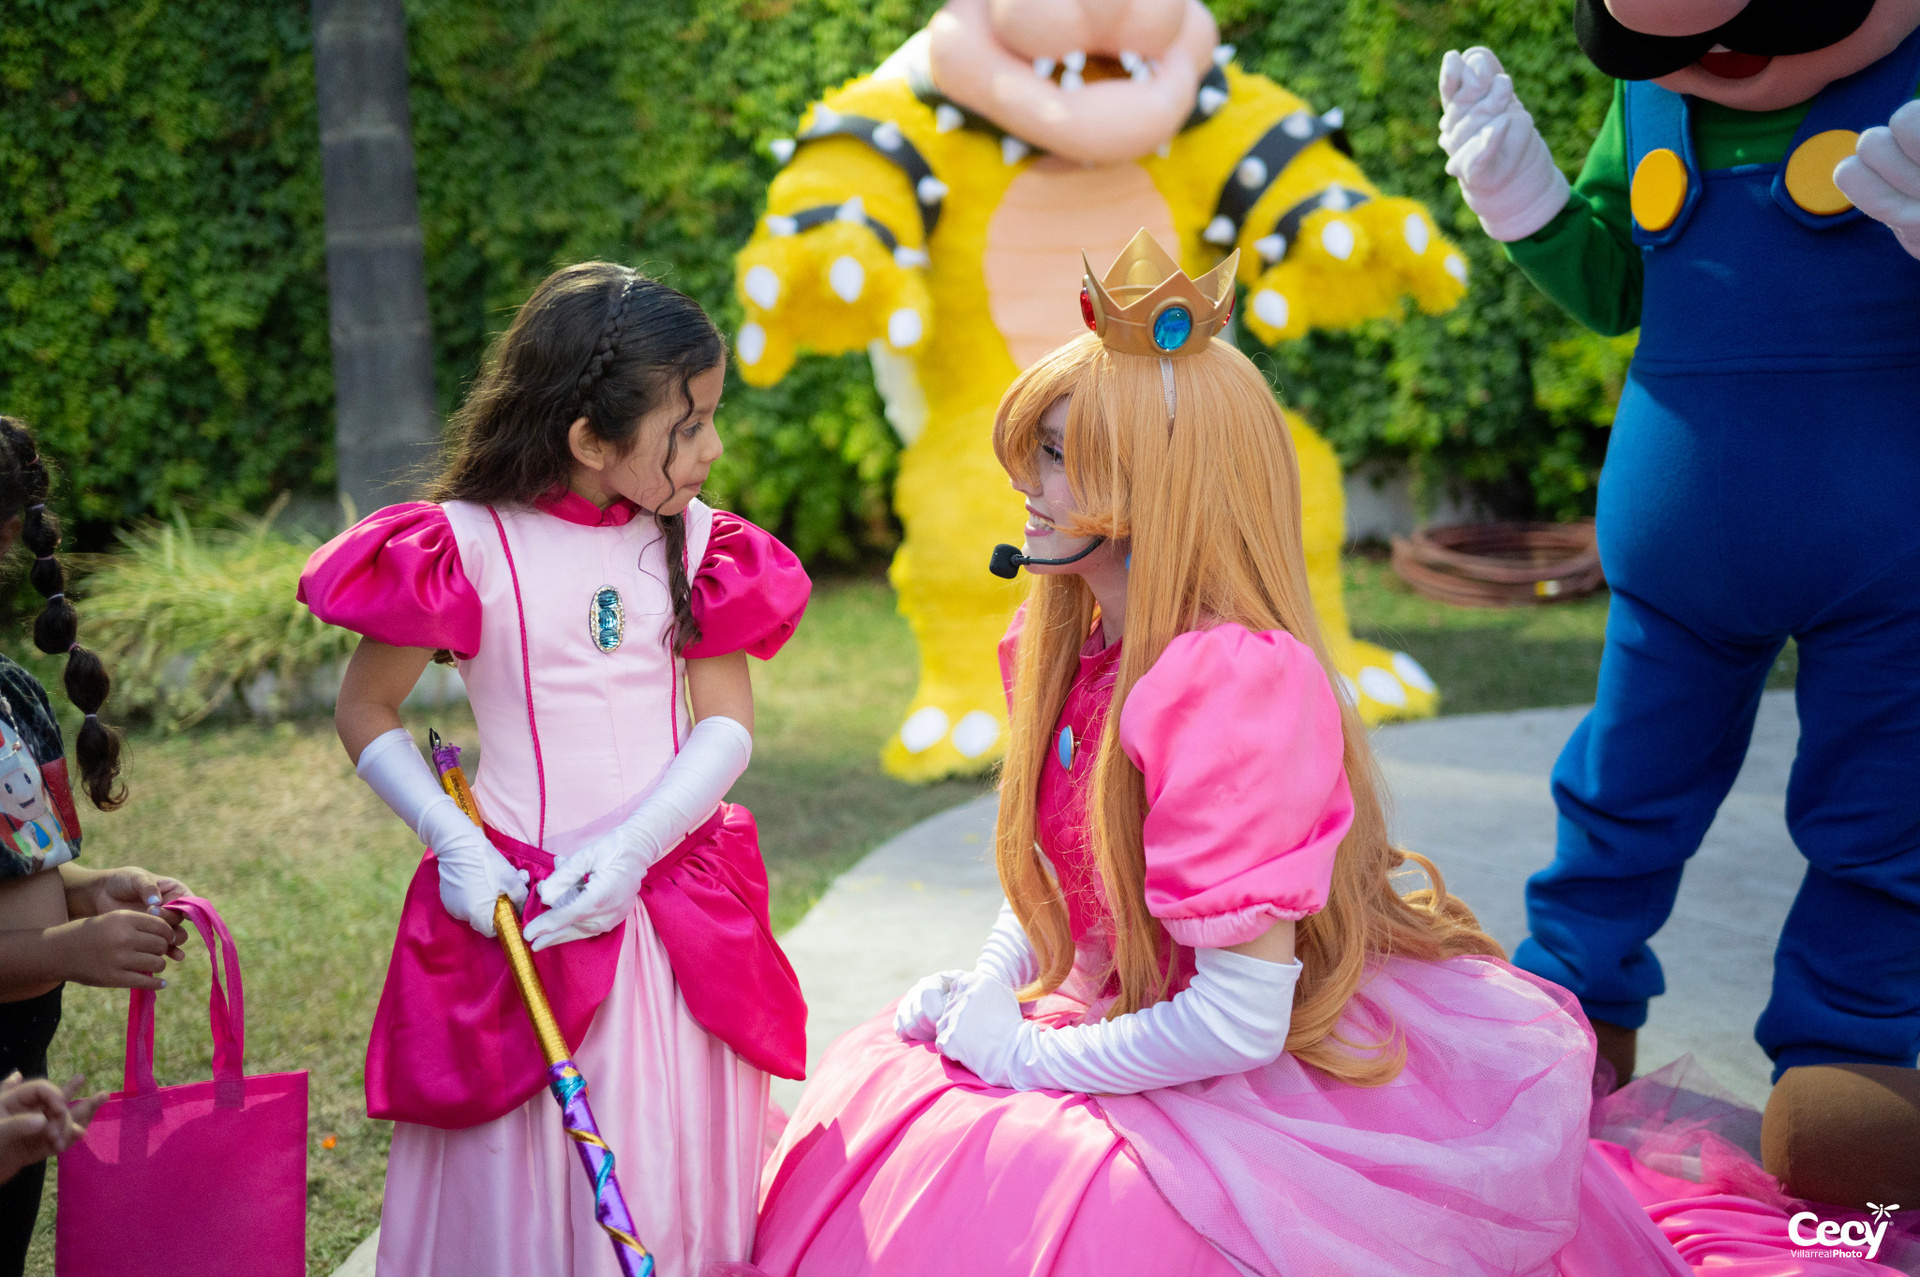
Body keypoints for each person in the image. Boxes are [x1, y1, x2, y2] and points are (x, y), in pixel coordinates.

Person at [749, 234, 1893, 1276]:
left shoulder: (1227, 687)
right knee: (902, 1086)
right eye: (1034, 449)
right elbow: (1063, 873)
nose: (1023, 483)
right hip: (1130, 1019)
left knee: (1071, 1186)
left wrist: (1029, 1058)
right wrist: (995, 989)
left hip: (1253, 1070)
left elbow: (1240, 1018)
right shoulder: (1065, 645)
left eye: (1056, 455)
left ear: (1158, 484)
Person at [1435, 0, 1920, 1205]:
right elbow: (1615, 284)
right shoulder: (1649, 98)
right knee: (1621, 784)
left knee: (1880, 803)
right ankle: (1567, 1005)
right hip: (1678, 546)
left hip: (1888, 544)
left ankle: (1847, 1053)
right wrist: (1529, 205)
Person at [299, 263, 809, 1277]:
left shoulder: (700, 542)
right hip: (519, 918)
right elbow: (367, 708)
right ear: (589, 439)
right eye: (689, 425)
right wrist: (452, 838)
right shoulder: (463, 545)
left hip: (666, 916)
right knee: (529, 1195)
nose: (713, 448)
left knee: (665, 1173)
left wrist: (633, 848)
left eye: (712, 417)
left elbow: (725, 726)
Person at [0, 416, 191, 1276]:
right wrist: (67, 949)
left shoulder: (10, 697)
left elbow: (24, 860)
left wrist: (89, 889)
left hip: (19, 1068)